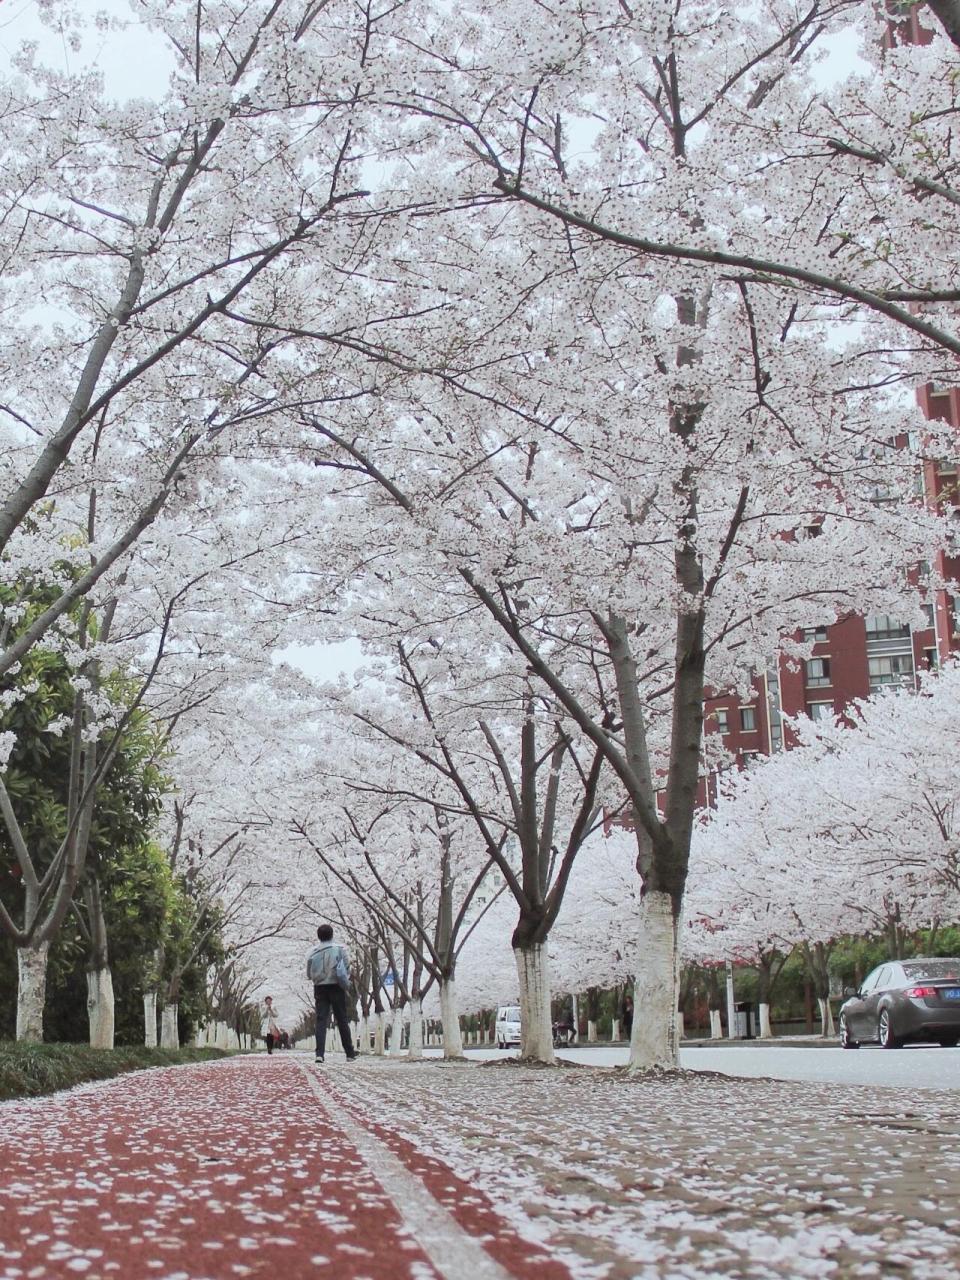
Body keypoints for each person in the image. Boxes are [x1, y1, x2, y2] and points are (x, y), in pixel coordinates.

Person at [306, 924, 358, 1064]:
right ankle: (350, 1053)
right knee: (341, 1019)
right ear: (332, 934)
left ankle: (319, 1054)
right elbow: (347, 968)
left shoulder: (312, 952)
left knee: (321, 1020)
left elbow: (308, 974)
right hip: (336, 986)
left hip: (319, 988)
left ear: (318, 936)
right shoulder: (339, 949)